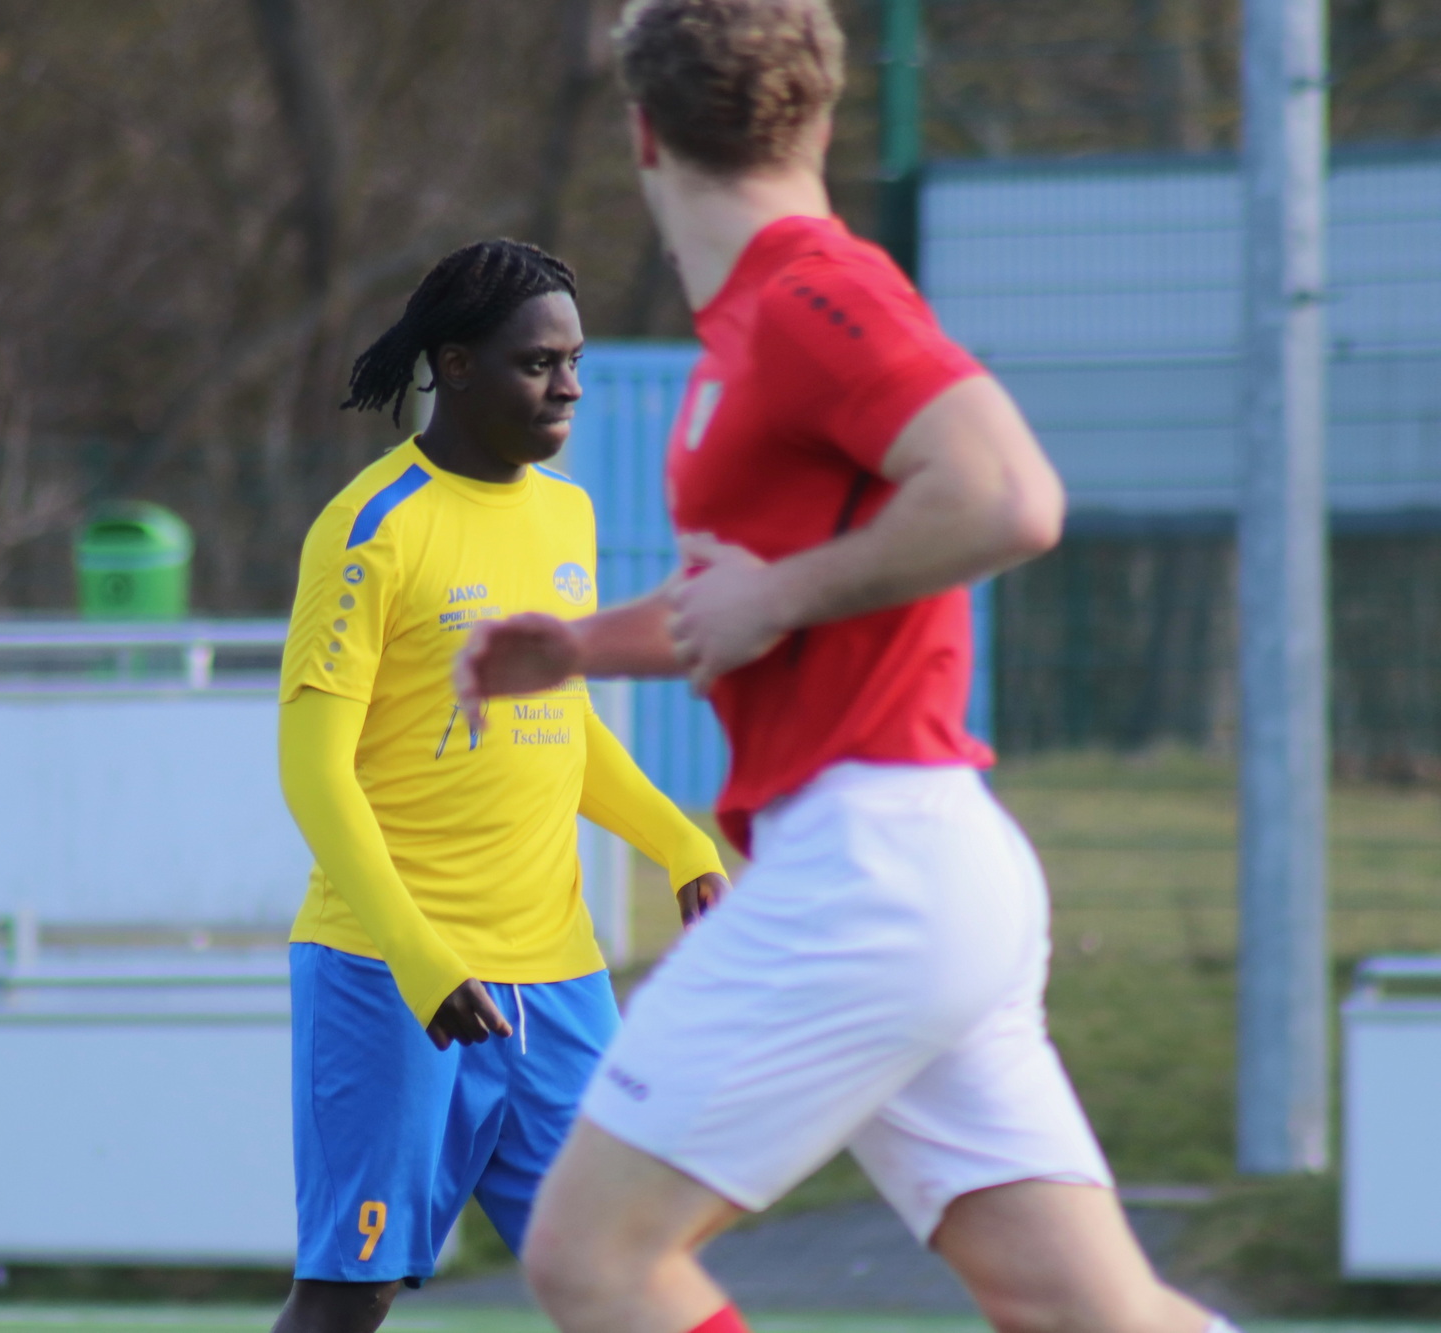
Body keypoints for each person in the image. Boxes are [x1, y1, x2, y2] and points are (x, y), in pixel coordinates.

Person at [454, 8, 1235, 1333]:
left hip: (868, 871)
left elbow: (1009, 495)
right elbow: (758, 602)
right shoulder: (765, 324)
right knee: (1090, 1313)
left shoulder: (813, 295)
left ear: (641, 135)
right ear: (820, 116)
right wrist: (582, 646)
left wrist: (779, 592)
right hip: (926, 871)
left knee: (592, 1257)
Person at [274, 238, 731, 1333]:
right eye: (538, 363)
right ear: (456, 365)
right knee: (347, 1298)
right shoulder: (371, 528)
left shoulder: (567, 514)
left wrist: (678, 840)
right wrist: (418, 956)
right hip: (393, 976)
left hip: (559, 979)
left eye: (574, 362)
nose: (567, 386)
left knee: (628, 1266)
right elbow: (312, 769)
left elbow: (560, 722)